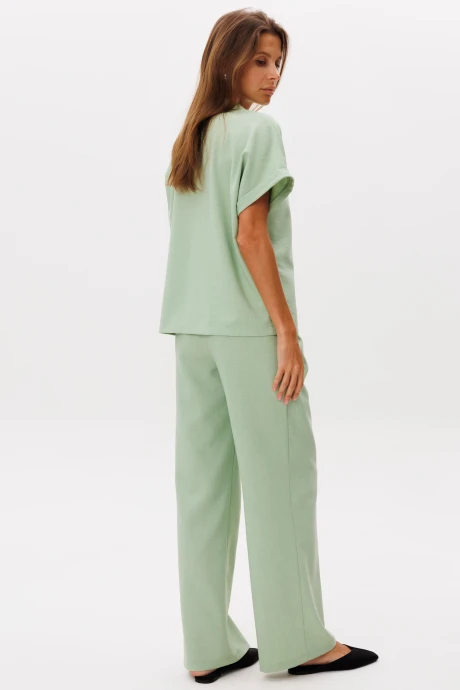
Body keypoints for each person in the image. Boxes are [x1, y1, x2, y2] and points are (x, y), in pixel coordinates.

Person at [159, 8, 379, 684]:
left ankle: (209, 649)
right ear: (226, 60)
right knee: (281, 480)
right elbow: (249, 234)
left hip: (193, 331)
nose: (273, 73)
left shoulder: (191, 139)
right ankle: (299, 642)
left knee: (204, 493)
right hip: (250, 332)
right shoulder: (258, 132)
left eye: (279, 61)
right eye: (260, 60)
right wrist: (287, 331)